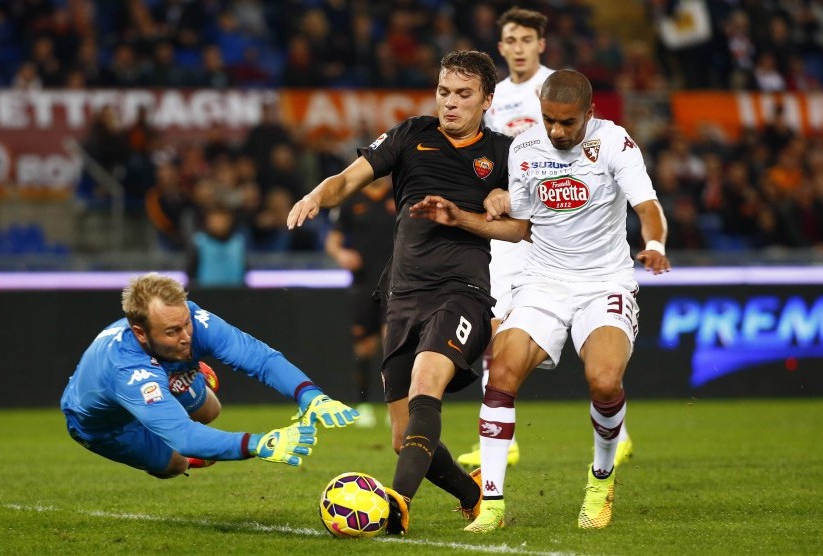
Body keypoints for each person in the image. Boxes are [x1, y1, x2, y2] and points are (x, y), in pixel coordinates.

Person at [410, 69, 670, 532]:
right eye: (549, 120)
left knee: (605, 382)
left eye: (567, 123)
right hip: (544, 280)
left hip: (604, 282)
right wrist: (463, 218)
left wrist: (656, 246)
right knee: (502, 370)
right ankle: (491, 504)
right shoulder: (526, 148)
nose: (556, 131)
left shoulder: (614, 143)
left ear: (590, 114)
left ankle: (600, 479)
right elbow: (522, 226)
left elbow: (647, 207)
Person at [287, 50, 513, 535]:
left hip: (462, 291)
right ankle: (473, 494)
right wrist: (315, 196)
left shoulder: (504, 153)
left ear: (487, 100)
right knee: (401, 436)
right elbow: (348, 179)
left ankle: (396, 504)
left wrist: (505, 197)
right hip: (403, 295)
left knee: (427, 379)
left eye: (463, 95)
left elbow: (526, 226)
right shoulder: (412, 135)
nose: (450, 103)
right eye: (444, 92)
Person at [458, 6, 634, 470]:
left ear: (541, 45)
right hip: (515, 224)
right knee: (497, 327)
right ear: (500, 48)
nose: (517, 48)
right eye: (510, 41)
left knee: (595, 350)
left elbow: (596, 152)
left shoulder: (560, 89)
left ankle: (618, 429)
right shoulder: (490, 98)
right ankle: (504, 437)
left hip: (561, 232)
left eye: (525, 40)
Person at [61, 272, 359, 478]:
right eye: (172, 331)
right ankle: (174, 396)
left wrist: (310, 395)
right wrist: (258, 443)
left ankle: (177, 382)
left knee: (211, 410)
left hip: (156, 377)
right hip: (105, 426)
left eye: (185, 324)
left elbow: (261, 359)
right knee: (176, 463)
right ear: (140, 332)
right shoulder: (125, 367)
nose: (185, 336)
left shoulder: (193, 321)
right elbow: (183, 435)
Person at [324, 176, 396, 428]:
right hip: (363, 283)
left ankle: (394, 405)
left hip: (396, 283)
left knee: (392, 343)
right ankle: (362, 404)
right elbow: (332, 241)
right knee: (364, 348)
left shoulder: (399, 195)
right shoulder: (351, 201)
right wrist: (342, 253)